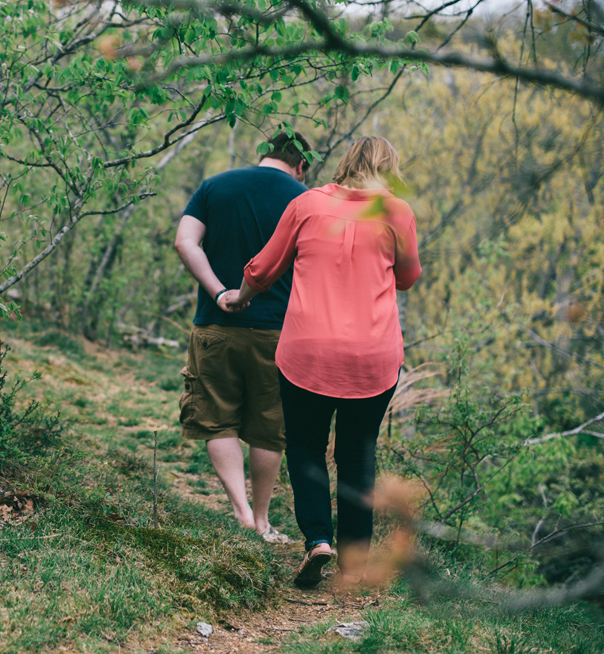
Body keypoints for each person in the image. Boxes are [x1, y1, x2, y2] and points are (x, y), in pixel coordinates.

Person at [229, 136, 421, 585]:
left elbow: (263, 268)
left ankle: (318, 539)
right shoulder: (396, 212)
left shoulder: (308, 203)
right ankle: (354, 562)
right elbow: (409, 278)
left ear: (346, 162)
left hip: (307, 353)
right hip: (373, 358)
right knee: (358, 454)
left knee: (306, 445)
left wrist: (241, 297)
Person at [174, 129, 312, 541]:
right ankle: (264, 519)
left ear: (264, 152)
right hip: (280, 333)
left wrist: (218, 292)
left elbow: (185, 242)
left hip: (215, 325)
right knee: (269, 426)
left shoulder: (214, 186)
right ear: (301, 165)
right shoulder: (306, 200)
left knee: (218, 420)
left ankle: (241, 510)